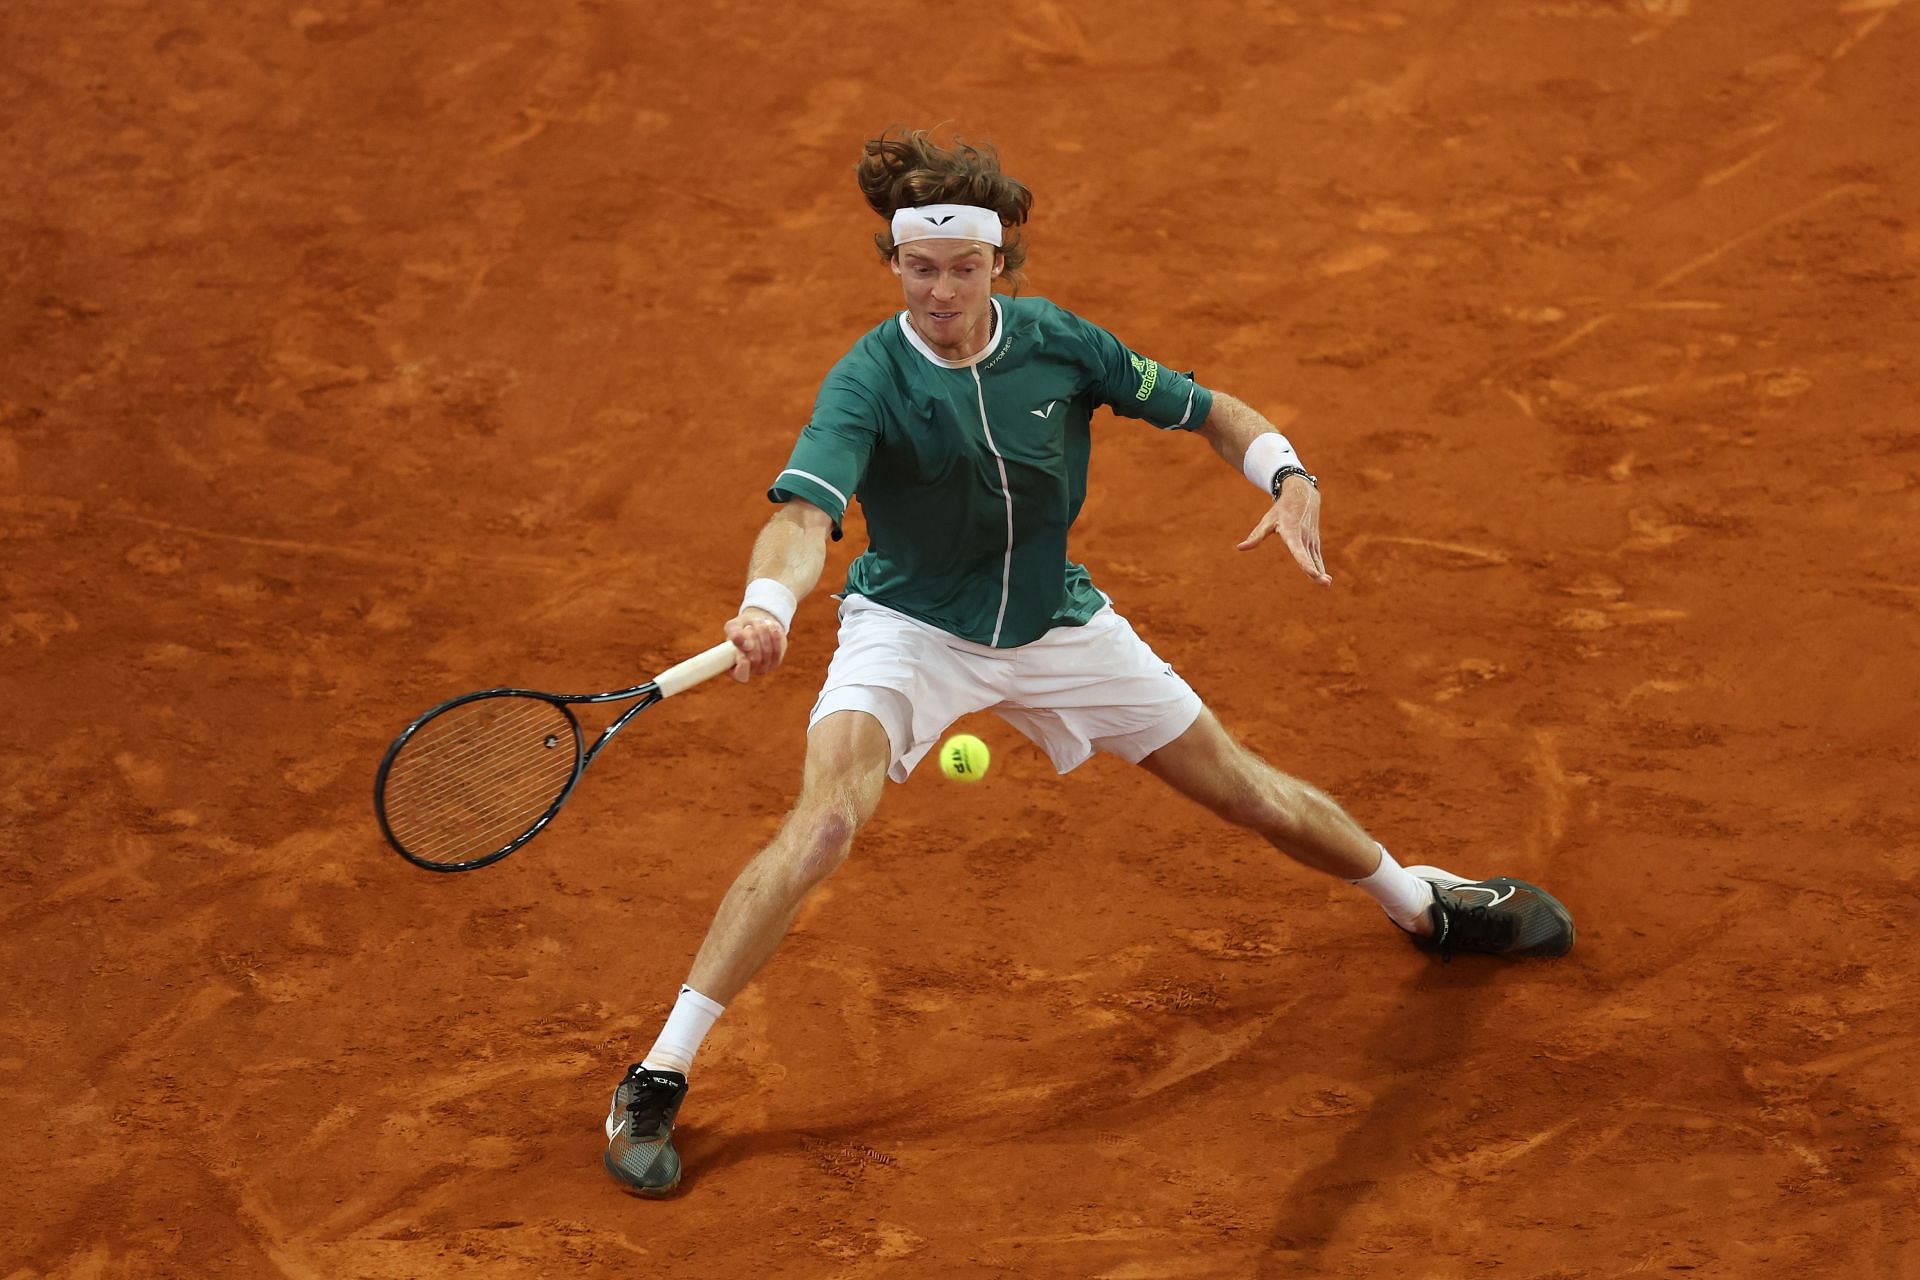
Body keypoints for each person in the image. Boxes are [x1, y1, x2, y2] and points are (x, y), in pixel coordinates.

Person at [601, 127, 1575, 1198]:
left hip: (1060, 626)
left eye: (961, 268)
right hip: (911, 631)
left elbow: (1208, 411)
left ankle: (1426, 906)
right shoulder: (866, 381)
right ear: (893, 266)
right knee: (825, 820)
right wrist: (766, 605)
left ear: (999, 262)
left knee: (1246, 789)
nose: (938, 291)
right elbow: (802, 516)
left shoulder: (1061, 343)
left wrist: (1287, 472)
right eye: (917, 269)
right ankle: (656, 1073)